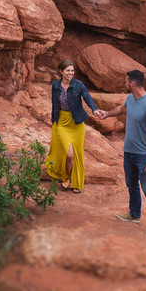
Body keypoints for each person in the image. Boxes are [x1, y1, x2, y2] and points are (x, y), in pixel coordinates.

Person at [98, 70, 146, 235]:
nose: (124, 83)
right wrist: (106, 114)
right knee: (132, 185)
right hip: (129, 152)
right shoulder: (130, 98)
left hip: (144, 155)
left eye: (126, 81)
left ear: (132, 83)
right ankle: (134, 214)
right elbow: (122, 108)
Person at [45, 59, 104, 193]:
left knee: (76, 154)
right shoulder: (55, 85)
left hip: (76, 123)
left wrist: (94, 109)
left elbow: (87, 97)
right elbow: (55, 104)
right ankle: (66, 177)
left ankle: (75, 181)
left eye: (72, 70)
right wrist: (54, 120)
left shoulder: (79, 85)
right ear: (61, 71)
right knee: (69, 154)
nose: (70, 73)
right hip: (62, 122)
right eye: (68, 70)